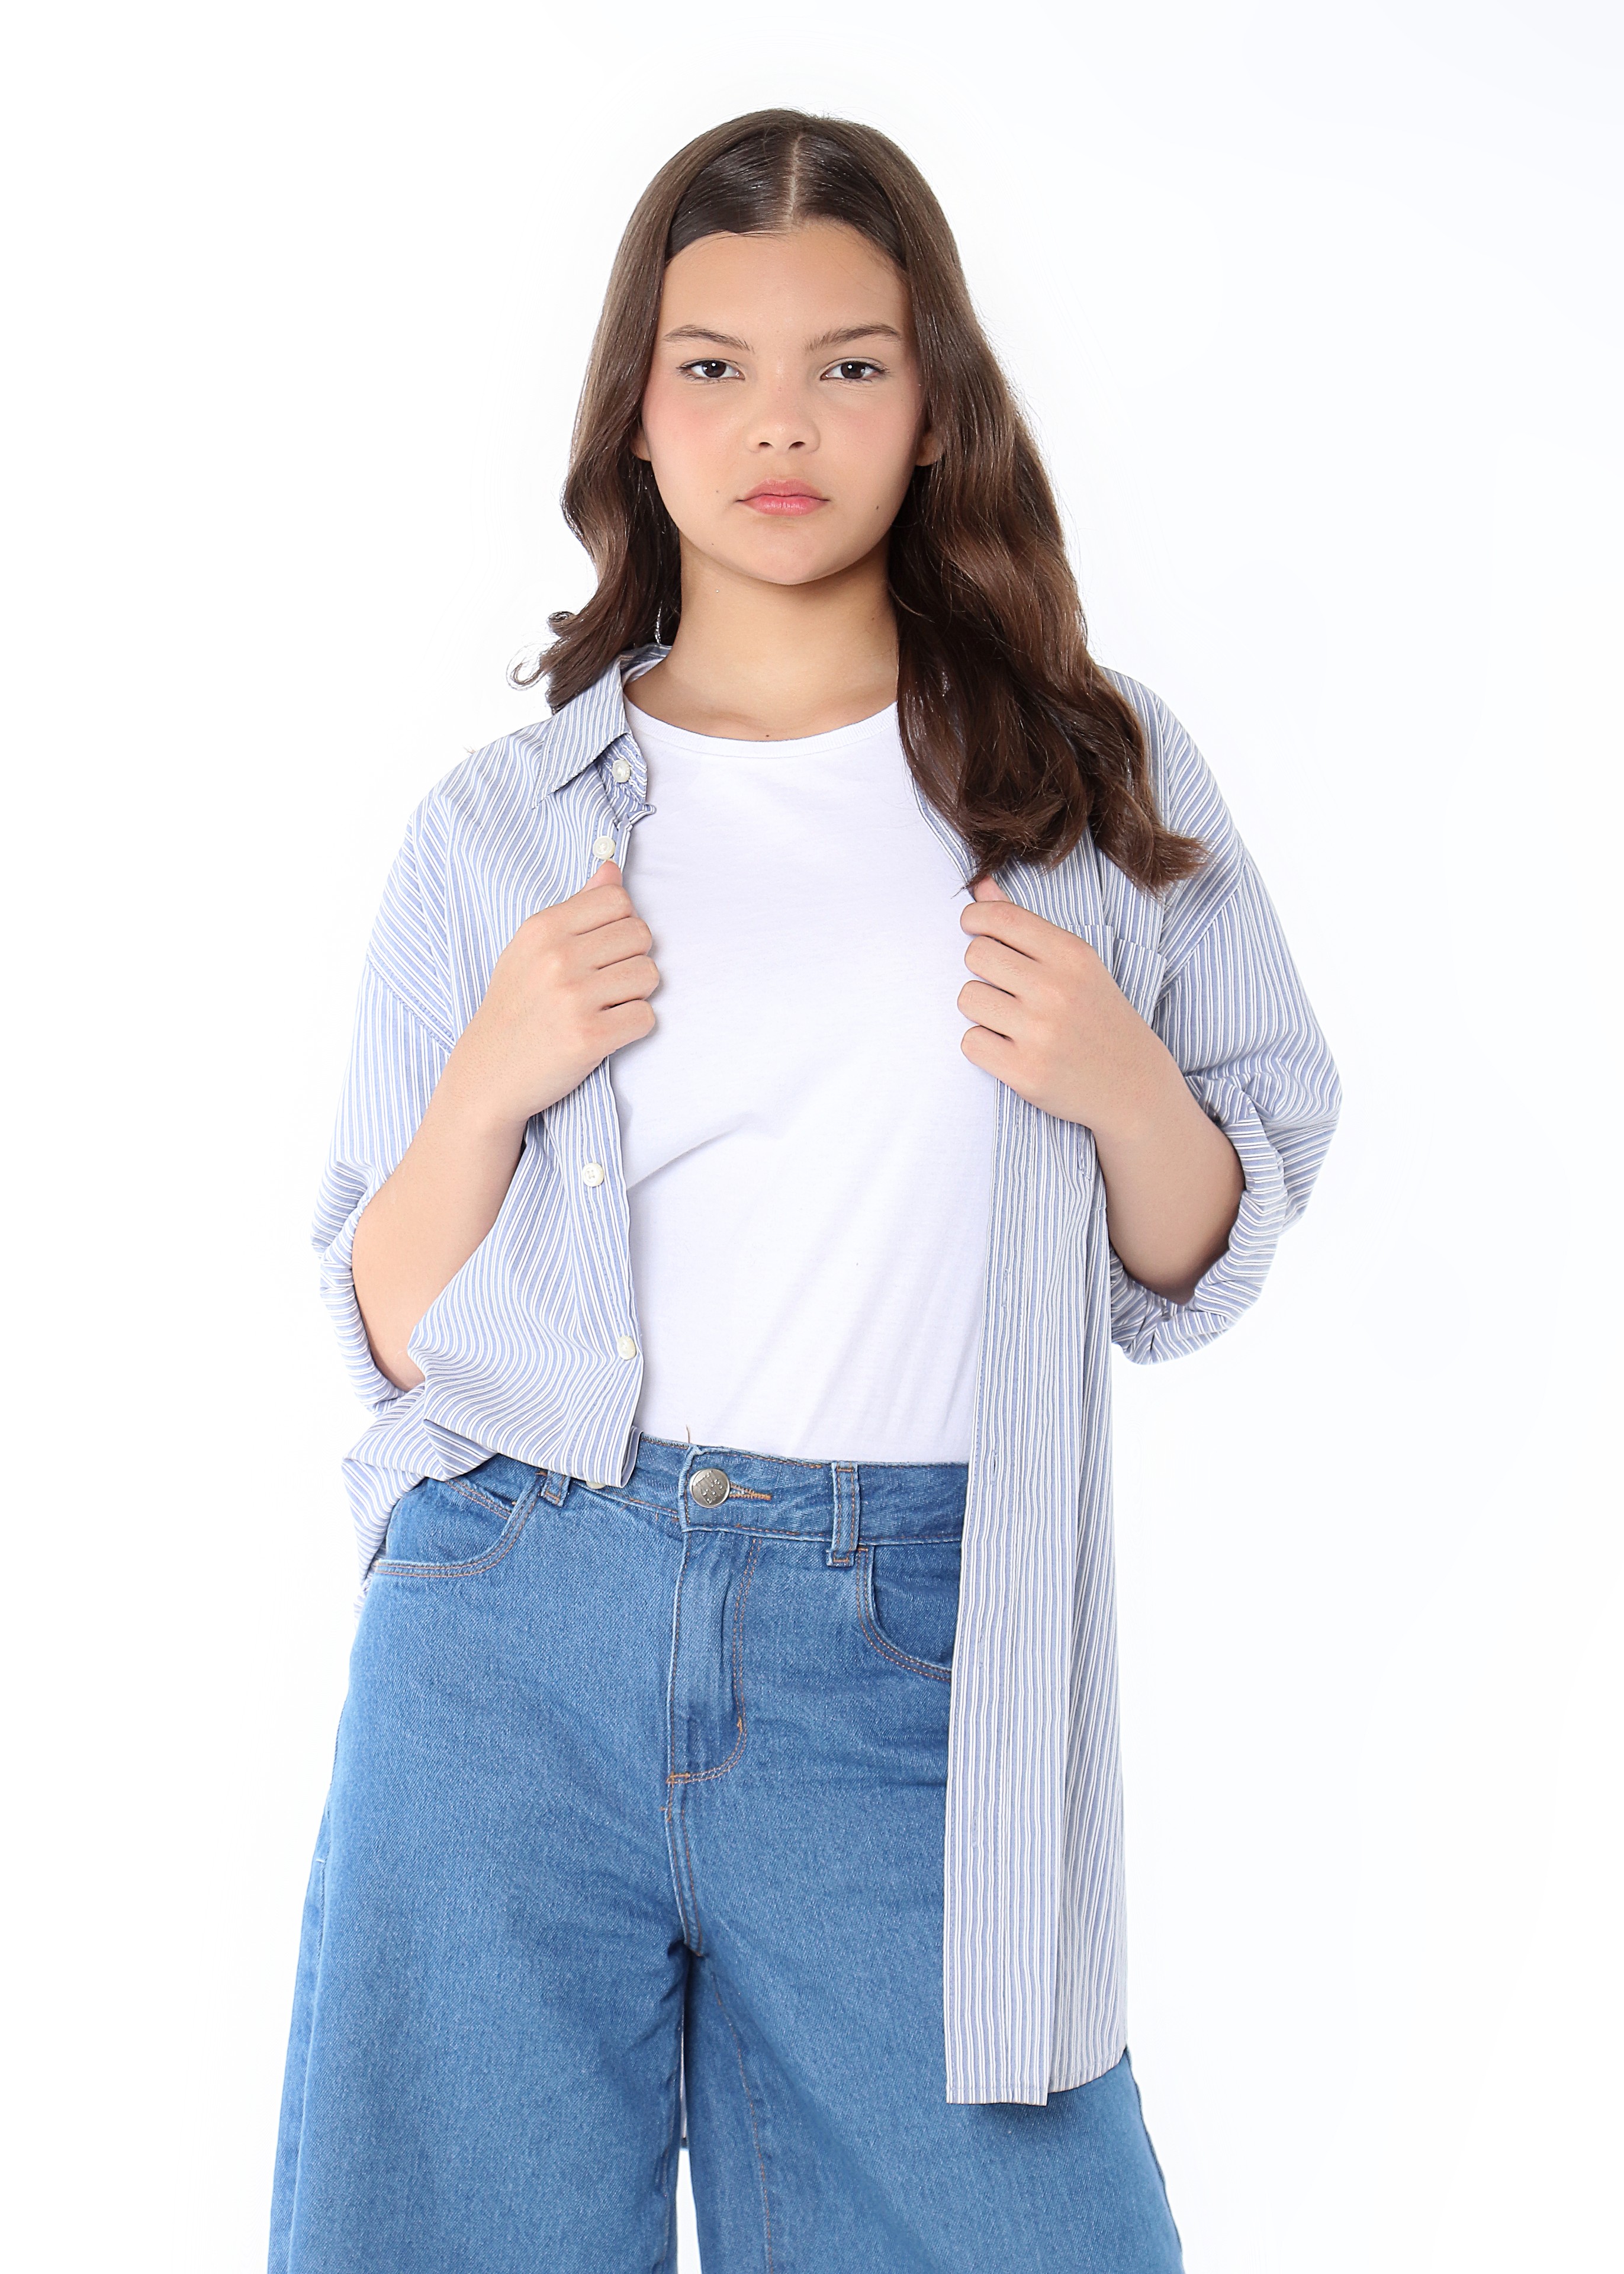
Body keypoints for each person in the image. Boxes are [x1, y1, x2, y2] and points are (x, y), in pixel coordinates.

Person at [269, 108, 1342, 2274]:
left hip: (913, 1639)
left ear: (935, 406)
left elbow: (1194, 1256)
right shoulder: (503, 823)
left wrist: (1123, 1082)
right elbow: (388, 1322)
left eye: (850, 365)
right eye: (716, 367)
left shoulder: (1087, 781)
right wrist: (488, 1080)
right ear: (637, 417)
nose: (783, 423)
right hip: (516, 1614)